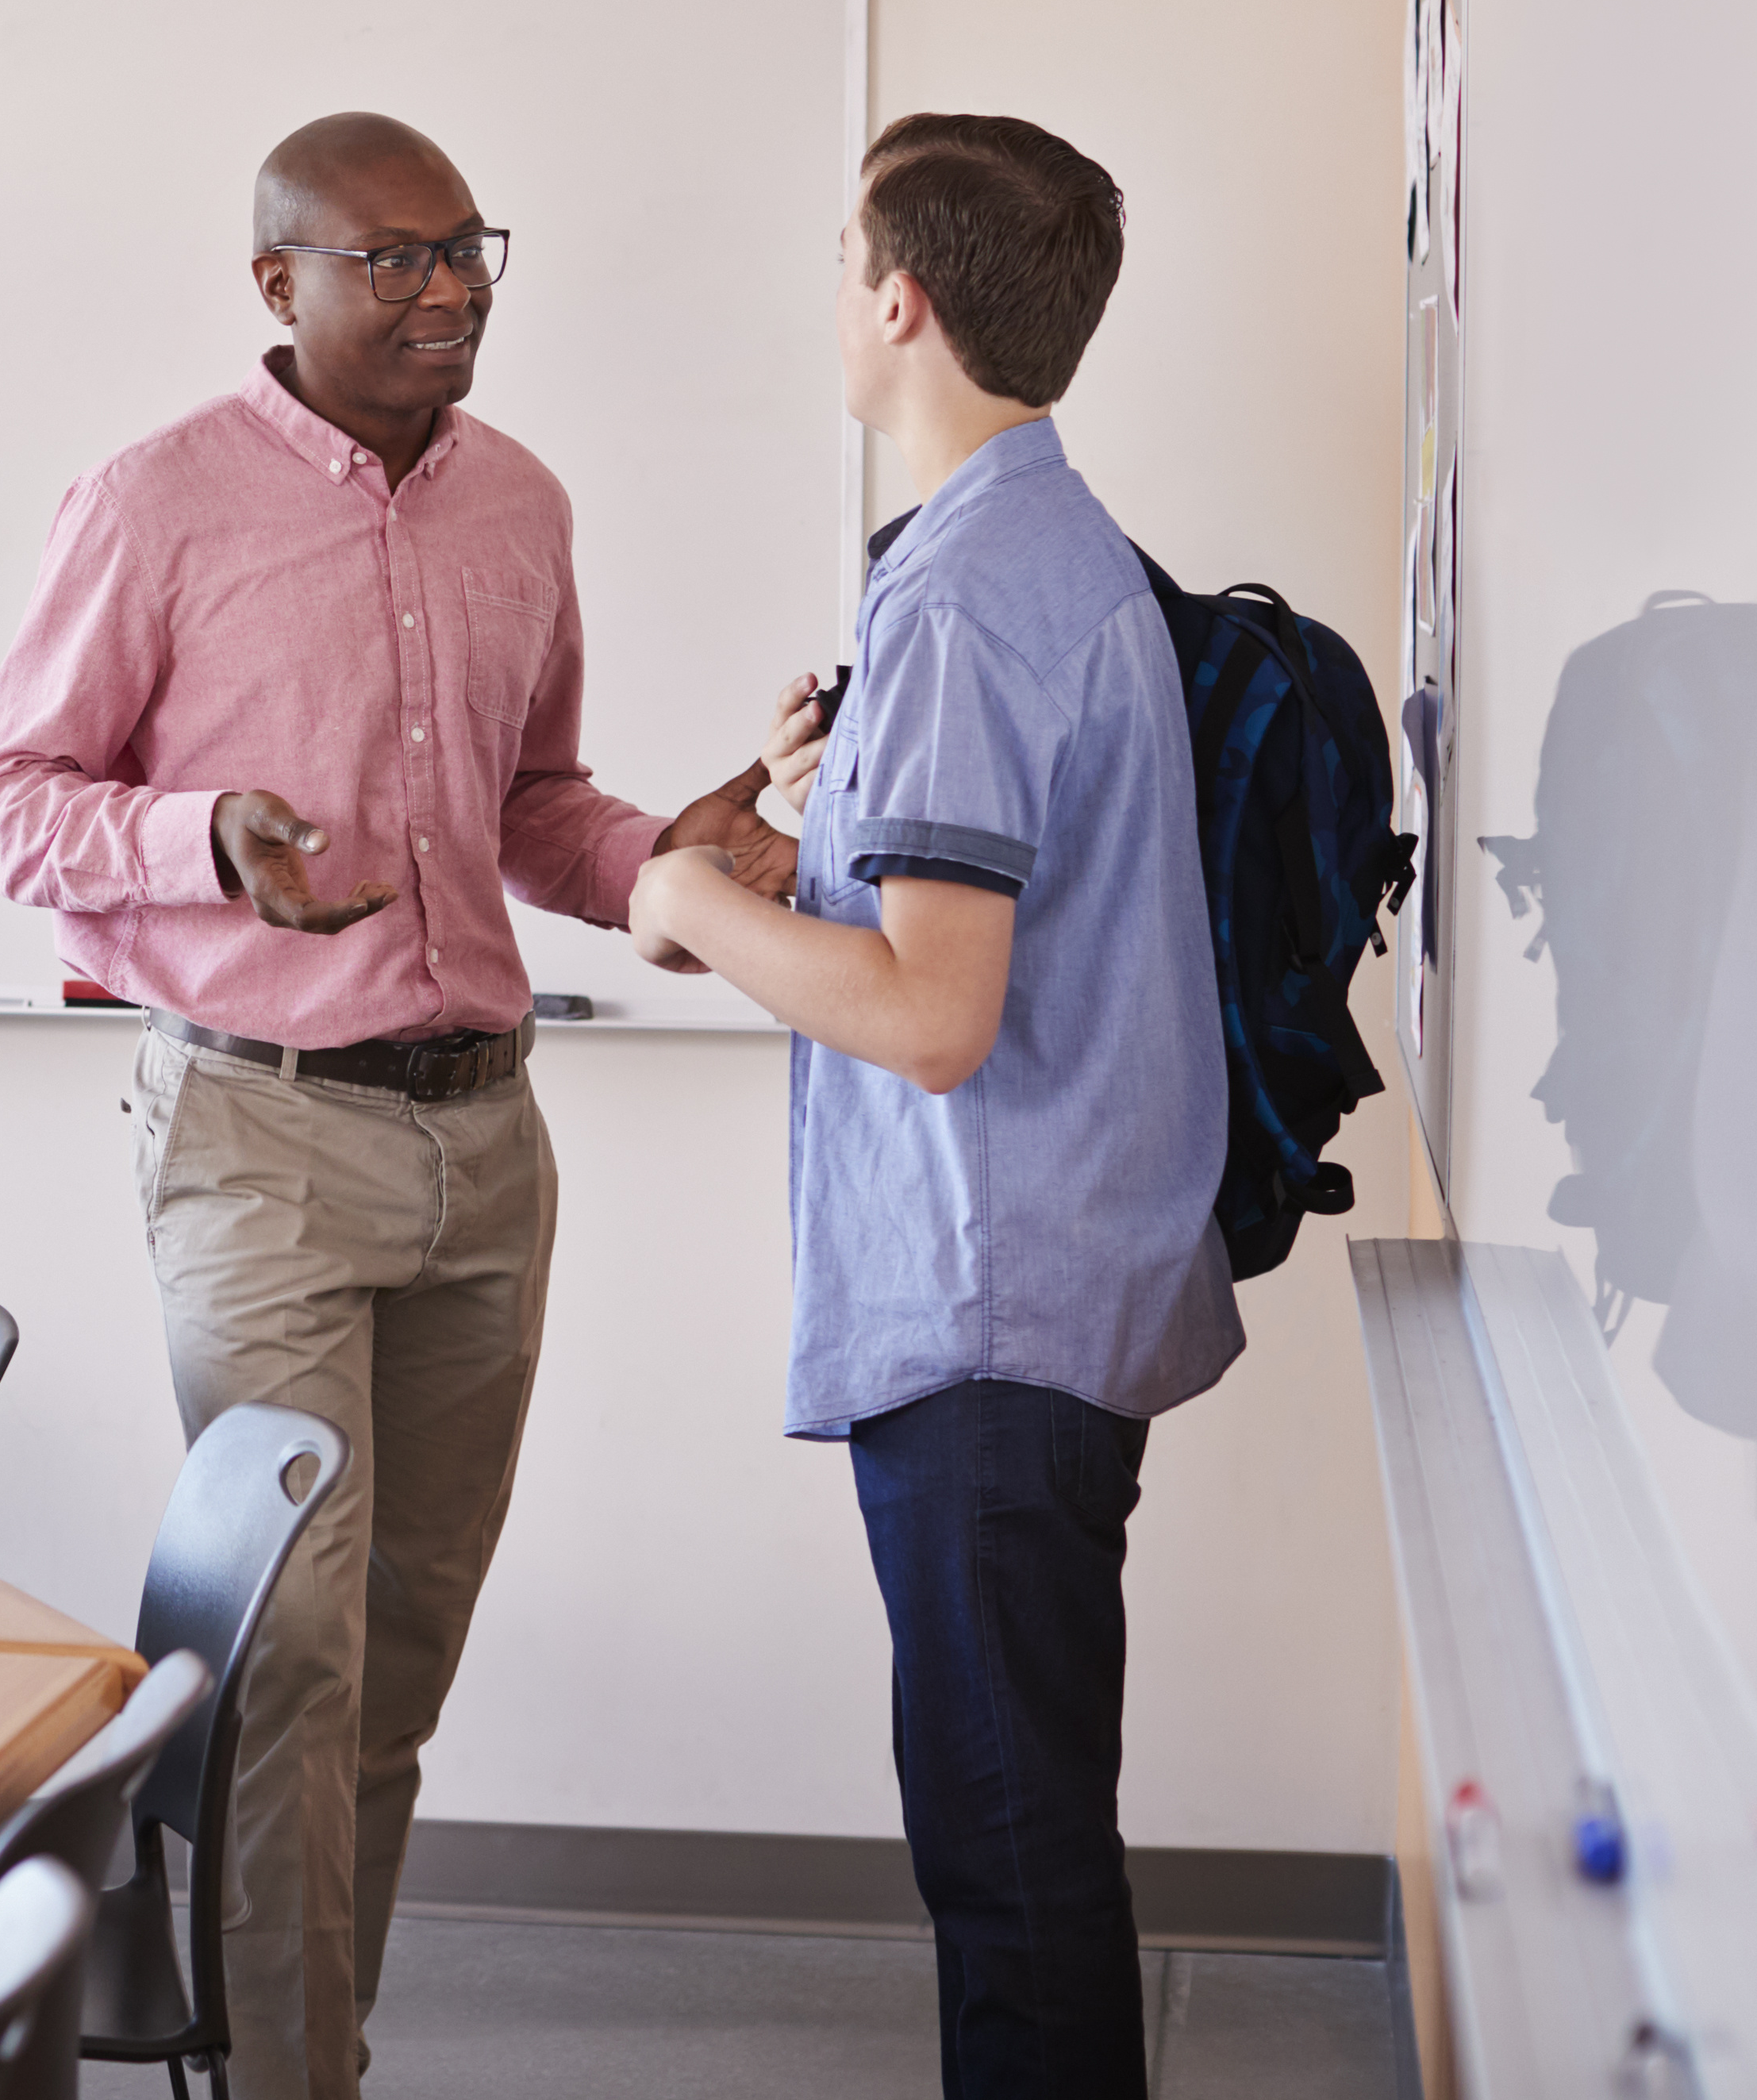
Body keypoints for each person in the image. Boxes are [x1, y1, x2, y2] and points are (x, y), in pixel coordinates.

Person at [0, 111, 798, 2100]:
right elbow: (1, 800)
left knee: (396, 1667)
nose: (451, 287)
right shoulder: (157, 502)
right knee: (292, 1665)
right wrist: (202, 839)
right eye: (394, 257)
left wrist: (667, 861)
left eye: (468, 248)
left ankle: (308, 2045)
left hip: (484, 1145)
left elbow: (527, 802)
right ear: (280, 282)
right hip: (256, 1135)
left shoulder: (521, 502)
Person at [627, 113, 1237, 2100]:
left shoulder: (968, 597)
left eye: (839, 262)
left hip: (994, 1317)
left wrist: (690, 898)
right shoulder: (1033, 550)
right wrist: (799, 831)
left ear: (898, 299)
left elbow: (932, 1016)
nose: (831, 297)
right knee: (1023, 1824)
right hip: (1055, 1287)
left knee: (1007, 1857)